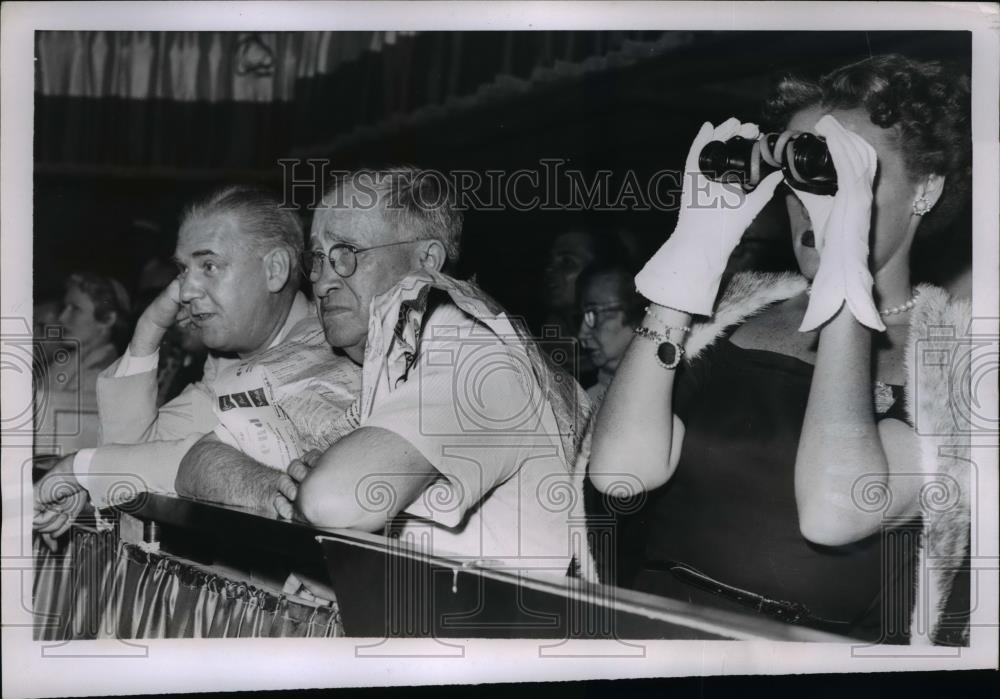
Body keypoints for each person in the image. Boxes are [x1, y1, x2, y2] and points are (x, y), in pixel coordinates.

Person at [588, 55, 971, 644]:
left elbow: (835, 511)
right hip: (652, 637)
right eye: (803, 175)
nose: (813, 201)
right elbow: (620, 473)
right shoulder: (731, 321)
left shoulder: (955, 368)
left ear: (926, 188)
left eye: (847, 173)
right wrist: (687, 267)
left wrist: (845, 279)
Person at [177, 167, 595, 580]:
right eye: (318, 259)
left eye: (347, 253)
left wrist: (312, 487)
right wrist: (273, 489)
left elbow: (333, 500)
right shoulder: (370, 355)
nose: (321, 283)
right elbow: (196, 463)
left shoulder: (475, 354)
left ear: (427, 261)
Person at [34, 185, 361, 543]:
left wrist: (83, 468)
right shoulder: (228, 360)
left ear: (275, 270)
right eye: (183, 270)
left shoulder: (323, 355)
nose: (186, 291)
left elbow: (199, 463)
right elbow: (131, 453)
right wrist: (150, 327)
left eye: (209, 266)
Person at [33, 272, 132, 455]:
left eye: (75, 309)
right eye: (65, 307)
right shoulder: (66, 363)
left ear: (107, 319)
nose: (62, 317)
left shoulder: (106, 375)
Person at [576, 256, 645, 405]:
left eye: (594, 314)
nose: (582, 334)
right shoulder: (587, 400)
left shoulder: (682, 390)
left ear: (639, 314)